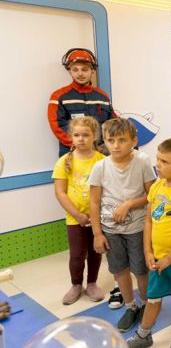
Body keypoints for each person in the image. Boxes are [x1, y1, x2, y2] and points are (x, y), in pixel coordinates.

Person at [126, 137, 171, 348]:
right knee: (153, 298)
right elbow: (149, 220)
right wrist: (148, 251)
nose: (158, 164)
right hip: (157, 257)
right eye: (158, 159)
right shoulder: (157, 186)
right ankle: (144, 335)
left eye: (165, 161)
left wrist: (169, 258)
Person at [89, 118, 156, 332]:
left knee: (141, 270)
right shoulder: (100, 166)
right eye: (111, 140)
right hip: (110, 230)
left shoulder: (143, 161)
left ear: (133, 141)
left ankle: (146, 304)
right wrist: (97, 234)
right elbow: (94, 202)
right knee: (119, 270)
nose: (116, 145)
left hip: (137, 228)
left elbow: (152, 195)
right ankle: (130, 306)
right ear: (105, 141)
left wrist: (129, 204)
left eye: (122, 140)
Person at [52, 116, 106, 305]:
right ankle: (76, 285)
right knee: (77, 254)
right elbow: (60, 193)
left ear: (95, 136)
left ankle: (91, 283)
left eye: (85, 135)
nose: (81, 139)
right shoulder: (63, 162)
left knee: (95, 251)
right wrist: (78, 215)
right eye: (76, 135)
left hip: (97, 217)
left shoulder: (102, 161)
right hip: (75, 218)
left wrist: (96, 215)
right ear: (71, 137)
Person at [48, 48, 116, 156]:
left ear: (92, 71)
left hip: (101, 152)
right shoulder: (58, 96)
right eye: (75, 70)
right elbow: (57, 126)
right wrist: (82, 145)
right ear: (69, 71)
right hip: (72, 153)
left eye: (85, 69)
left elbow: (113, 124)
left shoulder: (103, 96)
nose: (80, 74)